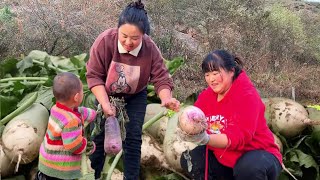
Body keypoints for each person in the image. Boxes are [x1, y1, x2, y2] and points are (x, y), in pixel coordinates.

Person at [85, 0, 180, 179]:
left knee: (133, 140)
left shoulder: (150, 48)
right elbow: (94, 75)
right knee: (98, 136)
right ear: (118, 29)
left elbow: (161, 78)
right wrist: (105, 104)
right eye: (124, 36)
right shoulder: (105, 41)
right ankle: (93, 175)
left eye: (135, 38)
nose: (129, 42)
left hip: (135, 96)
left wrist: (166, 98)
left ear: (144, 36)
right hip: (106, 94)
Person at [179, 49, 282, 180]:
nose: (211, 79)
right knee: (191, 159)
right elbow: (194, 115)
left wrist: (205, 139)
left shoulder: (247, 95)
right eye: (207, 75)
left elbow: (237, 138)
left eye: (215, 73)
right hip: (225, 158)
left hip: (258, 155)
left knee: (248, 168)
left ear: (231, 71)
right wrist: (185, 126)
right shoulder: (207, 96)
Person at [36, 72, 97, 180]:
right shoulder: (71, 121)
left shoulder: (56, 108)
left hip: (47, 160)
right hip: (59, 168)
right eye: (82, 91)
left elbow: (79, 111)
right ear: (77, 97)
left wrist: (95, 113)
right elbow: (73, 146)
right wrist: (85, 144)